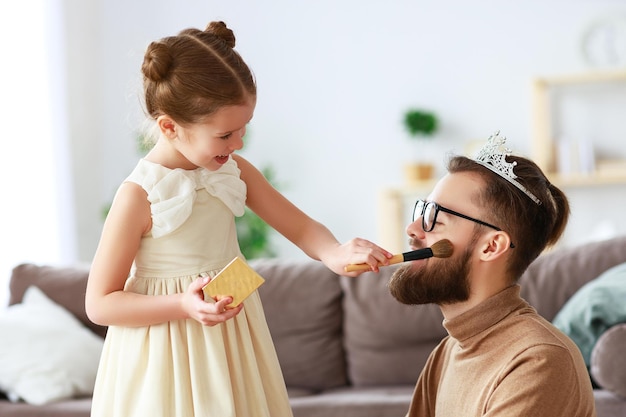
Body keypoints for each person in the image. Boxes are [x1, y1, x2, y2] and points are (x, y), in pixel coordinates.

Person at [85, 21, 392, 417]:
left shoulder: (234, 170)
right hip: (164, 353)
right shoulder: (137, 195)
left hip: (231, 342)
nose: (238, 144)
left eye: (243, 131)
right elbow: (100, 303)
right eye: (225, 135)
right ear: (169, 127)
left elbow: (300, 227)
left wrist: (333, 252)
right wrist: (183, 304)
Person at [388, 132, 596, 417]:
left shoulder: (538, 360)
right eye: (422, 209)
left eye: (434, 216)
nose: (412, 229)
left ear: (491, 246)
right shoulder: (447, 352)